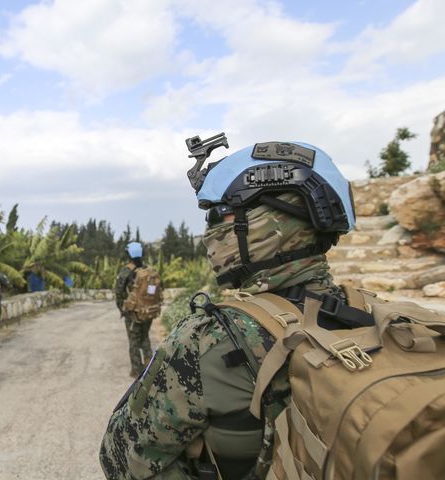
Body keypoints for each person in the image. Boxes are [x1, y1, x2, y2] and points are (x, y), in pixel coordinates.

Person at [100, 140, 363, 479]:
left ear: (267, 223)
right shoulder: (381, 316)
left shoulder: (206, 339)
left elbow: (120, 460)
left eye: (218, 214)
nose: (210, 232)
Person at [114, 242, 164, 378]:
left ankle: (137, 371)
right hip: (149, 312)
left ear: (128, 254)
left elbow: (118, 292)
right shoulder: (149, 270)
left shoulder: (126, 271)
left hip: (134, 313)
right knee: (145, 337)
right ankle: (149, 367)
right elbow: (160, 288)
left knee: (134, 341)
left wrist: (124, 309)